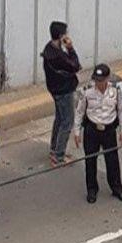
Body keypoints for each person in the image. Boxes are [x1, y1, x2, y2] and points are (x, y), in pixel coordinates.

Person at [73, 64, 122, 204]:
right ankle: (92, 190)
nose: (98, 83)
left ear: (107, 79)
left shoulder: (115, 90)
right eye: (96, 80)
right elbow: (80, 111)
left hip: (109, 130)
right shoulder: (87, 91)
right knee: (90, 161)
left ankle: (117, 188)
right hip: (92, 129)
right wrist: (77, 131)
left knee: (112, 161)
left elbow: (121, 110)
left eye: (101, 80)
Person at [41, 21, 82, 167]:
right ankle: (59, 155)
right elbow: (75, 65)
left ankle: (54, 149)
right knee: (67, 121)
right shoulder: (59, 55)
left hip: (55, 89)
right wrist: (70, 48)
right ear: (61, 36)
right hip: (64, 90)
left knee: (59, 118)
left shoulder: (49, 49)